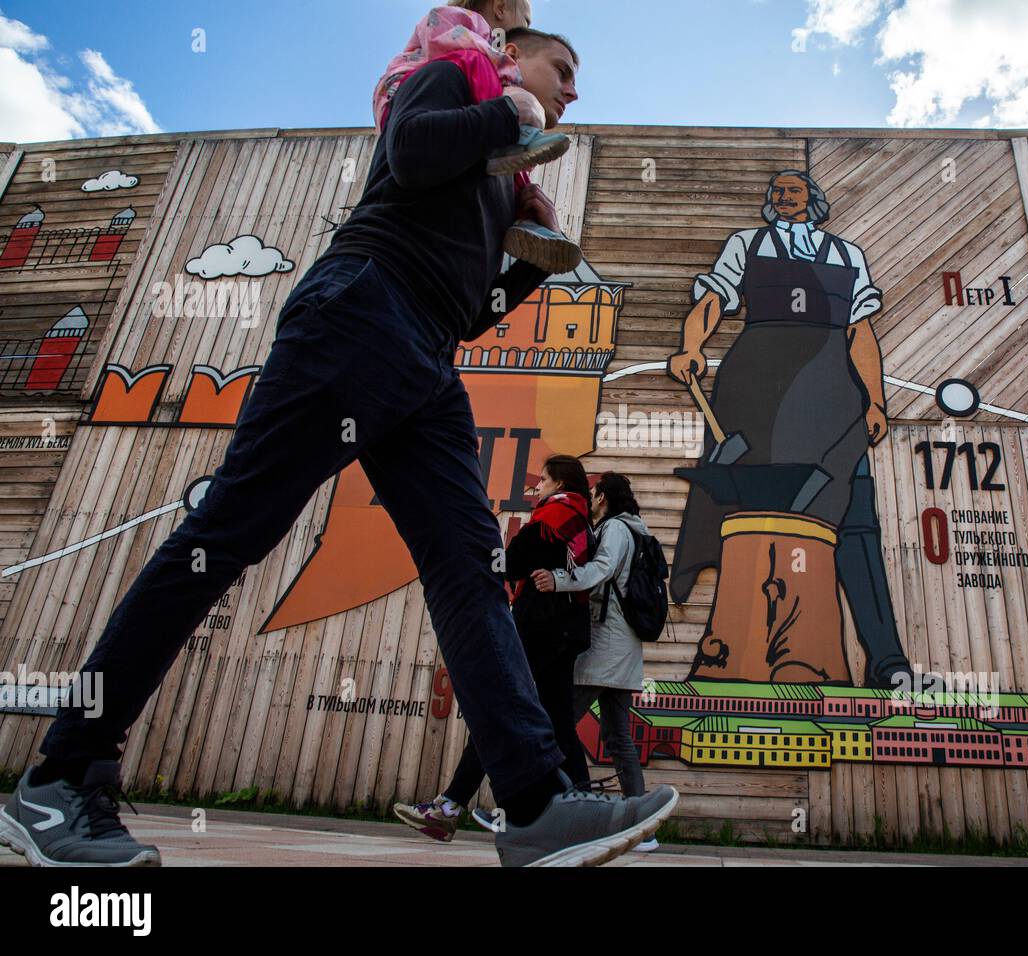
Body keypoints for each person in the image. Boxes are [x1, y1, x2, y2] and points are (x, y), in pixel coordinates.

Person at [0, 27, 675, 869]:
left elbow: (467, 311)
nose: (572, 92)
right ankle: (62, 779)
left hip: (427, 362)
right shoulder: (449, 84)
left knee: (469, 566)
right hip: (359, 311)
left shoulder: (503, 180)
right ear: (508, 58)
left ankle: (535, 803)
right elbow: (415, 152)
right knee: (226, 537)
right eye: (561, 73)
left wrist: (532, 260)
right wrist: (505, 111)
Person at [666, 169, 916, 690]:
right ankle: (745, 649)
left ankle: (888, 662)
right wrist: (692, 346)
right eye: (777, 191)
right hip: (754, 389)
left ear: (813, 201)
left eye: (793, 190)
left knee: (855, 518)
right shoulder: (745, 244)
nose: (783, 197)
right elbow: (712, 303)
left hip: (830, 393)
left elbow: (859, 331)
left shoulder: (847, 255)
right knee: (743, 511)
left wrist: (875, 400)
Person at [395, 455, 596, 841]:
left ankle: (450, 805)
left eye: (543, 481)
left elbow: (511, 561)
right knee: (555, 721)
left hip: (539, 629)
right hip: (566, 633)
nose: (537, 487)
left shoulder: (553, 519)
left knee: (501, 710)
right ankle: (582, 812)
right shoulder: (580, 520)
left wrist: (475, 552)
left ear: (558, 484)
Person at [373, 1, 581, 272]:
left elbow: (477, 305)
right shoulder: (464, 55)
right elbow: (408, 153)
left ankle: (529, 224)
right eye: (526, 22)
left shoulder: (486, 150)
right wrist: (509, 107)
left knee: (518, 175)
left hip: (437, 312)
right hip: (373, 290)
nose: (572, 94)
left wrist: (541, 262)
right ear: (500, 7)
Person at [532, 472, 659, 852]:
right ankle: (642, 830)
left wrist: (558, 579)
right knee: (619, 738)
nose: (590, 498)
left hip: (605, 647)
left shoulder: (617, 530)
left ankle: (555, 815)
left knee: (556, 726)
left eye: (593, 493)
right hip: (624, 650)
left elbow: (601, 570)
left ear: (602, 496)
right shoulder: (639, 530)